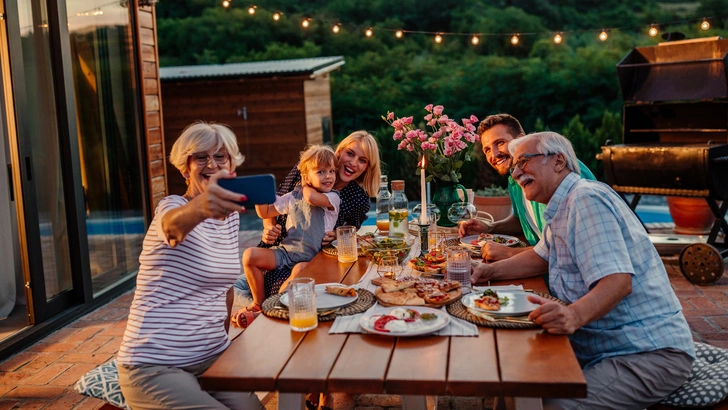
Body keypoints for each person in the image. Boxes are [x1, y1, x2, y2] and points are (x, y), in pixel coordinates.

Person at [471, 131, 695, 409]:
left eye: (524, 162)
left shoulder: (585, 200)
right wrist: (484, 272)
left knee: (554, 405)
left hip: (644, 351)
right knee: (514, 376)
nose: (516, 172)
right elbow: (540, 257)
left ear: (559, 161)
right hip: (604, 344)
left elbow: (618, 281)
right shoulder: (561, 205)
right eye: (515, 166)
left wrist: (572, 315)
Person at [116, 122, 263, 410]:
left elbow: (224, 290)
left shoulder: (229, 217)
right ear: (185, 167)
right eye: (201, 157)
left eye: (221, 156)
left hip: (211, 357)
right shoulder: (171, 207)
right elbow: (172, 229)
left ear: (231, 164)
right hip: (155, 364)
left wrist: (224, 344)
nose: (211, 163)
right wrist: (202, 205)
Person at [232, 131, 381, 308]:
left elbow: (349, 233)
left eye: (362, 160)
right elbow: (272, 207)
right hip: (281, 249)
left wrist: (336, 235)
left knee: (299, 288)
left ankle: (271, 310)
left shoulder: (355, 198)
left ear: (367, 167)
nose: (353, 163)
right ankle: (260, 305)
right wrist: (268, 225)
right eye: (350, 153)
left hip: (312, 260)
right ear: (339, 152)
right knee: (256, 265)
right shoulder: (309, 165)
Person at [459, 114, 596, 261]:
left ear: (520, 139)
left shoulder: (561, 174)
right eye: (487, 150)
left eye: (499, 143)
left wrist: (509, 253)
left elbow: (567, 249)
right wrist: (490, 228)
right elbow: (522, 220)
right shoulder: (515, 177)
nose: (494, 154)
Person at [241, 144, 341, 313]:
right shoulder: (293, 197)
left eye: (331, 171)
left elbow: (311, 199)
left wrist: (305, 184)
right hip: (286, 252)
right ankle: (258, 303)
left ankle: (274, 308)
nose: (328, 176)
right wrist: (258, 194)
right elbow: (265, 212)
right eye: (321, 172)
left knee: (298, 272)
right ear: (306, 176)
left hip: (310, 259)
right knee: (249, 256)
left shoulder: (332, 197)